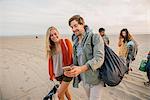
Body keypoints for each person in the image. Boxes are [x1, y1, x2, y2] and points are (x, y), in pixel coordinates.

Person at [64, 15, 105, 100]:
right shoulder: (75, 41)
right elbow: (78, 61)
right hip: (84, 80)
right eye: (71, 27)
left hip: (96, 79)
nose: (73, 29)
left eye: (75, 26)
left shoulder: (94, 36)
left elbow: (99, 58)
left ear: (82, 24)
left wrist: (81, 69)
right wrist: (71, 69)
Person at [45, 26, 73, 100]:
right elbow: (51, 63)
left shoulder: (66, 42)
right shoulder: (50, 48)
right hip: (58, 74)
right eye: (51, 35)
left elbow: (72, 56)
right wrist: (51, 74)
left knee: (59, 94)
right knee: (65, 91)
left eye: (55, 33)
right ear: (49, 37)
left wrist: (71, 68)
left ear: (58, 33)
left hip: (67, 73)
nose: (54, 36)